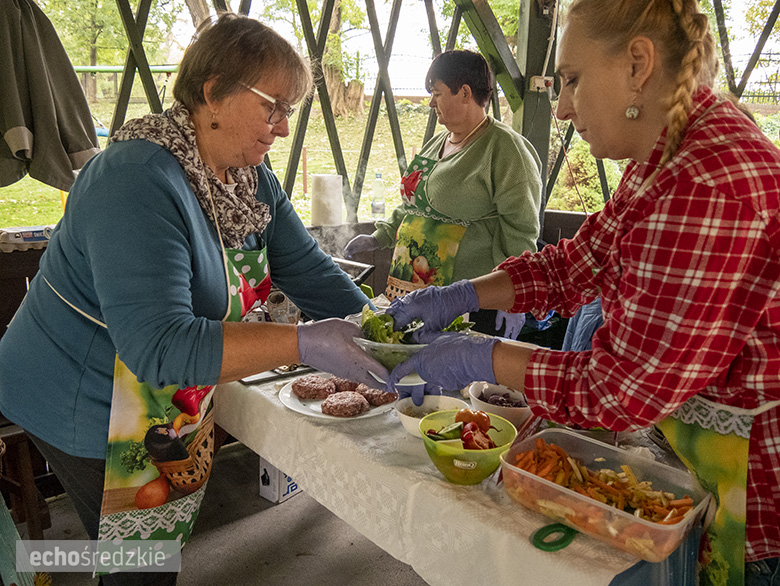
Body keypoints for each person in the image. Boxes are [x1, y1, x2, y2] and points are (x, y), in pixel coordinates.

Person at [384, 1, 780, 584]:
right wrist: (462, 295)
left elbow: (617, 390)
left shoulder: (704, 184)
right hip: (699, 463)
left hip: (749, 501)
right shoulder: (664, 158)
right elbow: (575, 264)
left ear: (638, 64)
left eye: (571, 80)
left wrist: (479, 356)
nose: (563, 107)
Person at [0, 13, 385, 585]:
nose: (282, 128)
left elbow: (306, 268)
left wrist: (382, 328)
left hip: (159, 394)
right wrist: (305, 341)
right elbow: (158, 344)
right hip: (83, 395)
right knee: (139, 566)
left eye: (290, 112)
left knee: (154, 549)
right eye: (272, 107)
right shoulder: (136, 178)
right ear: (213, 94)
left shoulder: (245, 178)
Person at [343, 50, 543, 339]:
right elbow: (413, 203)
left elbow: (521, 228)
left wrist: (513, 296)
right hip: (414, 291)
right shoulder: (437, 143)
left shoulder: (505, 150)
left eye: (437, 93)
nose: (430, 102)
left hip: (471, 302)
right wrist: (381, 235)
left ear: (464, 93)